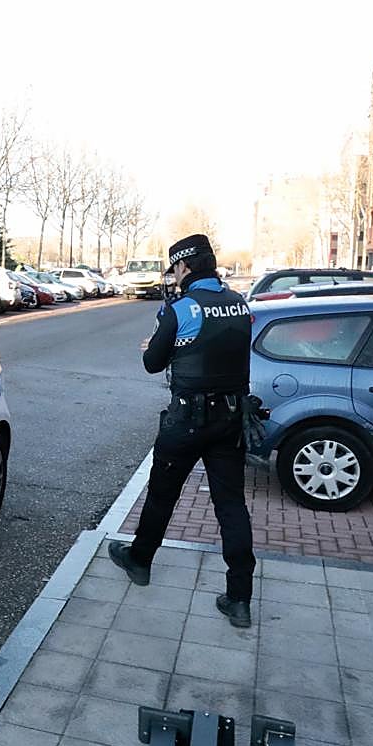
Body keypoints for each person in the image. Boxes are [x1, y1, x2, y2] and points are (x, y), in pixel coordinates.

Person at [108, 234, 257, 628]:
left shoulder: (182, 308)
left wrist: (161, 342)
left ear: (184, 266)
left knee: (162, 496)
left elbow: (152, 363)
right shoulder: (239, 303)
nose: (173, 275)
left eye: (174, 268)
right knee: (231, 506)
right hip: (231, 419)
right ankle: (239, 598)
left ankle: (140, 560)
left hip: (187, 420)